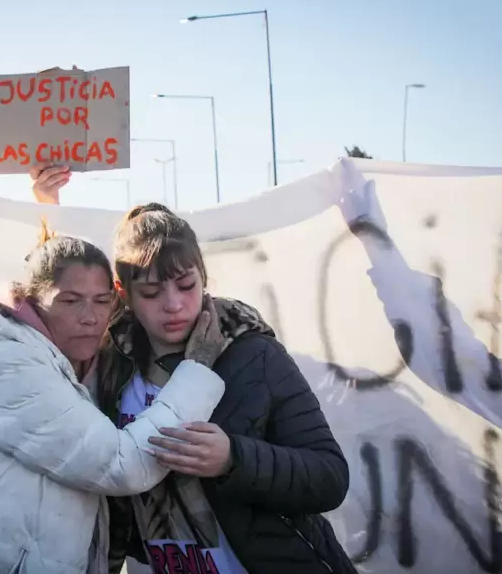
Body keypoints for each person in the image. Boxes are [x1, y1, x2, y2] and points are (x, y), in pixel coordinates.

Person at [0, 223, 227, 574]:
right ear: (33, 301)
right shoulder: (9, 363)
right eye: (70, 301)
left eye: (101, 301)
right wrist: (196, 371)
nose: (90, 317)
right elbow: (121, 464)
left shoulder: (71, 366)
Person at [99, 204, 355, 574]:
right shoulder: (111, 367)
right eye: (152, 292)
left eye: (186, 285)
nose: (173, 305)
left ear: (204, 277)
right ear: (124, 293)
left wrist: (234, 459)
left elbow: (330, 477)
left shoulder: (255, 355)